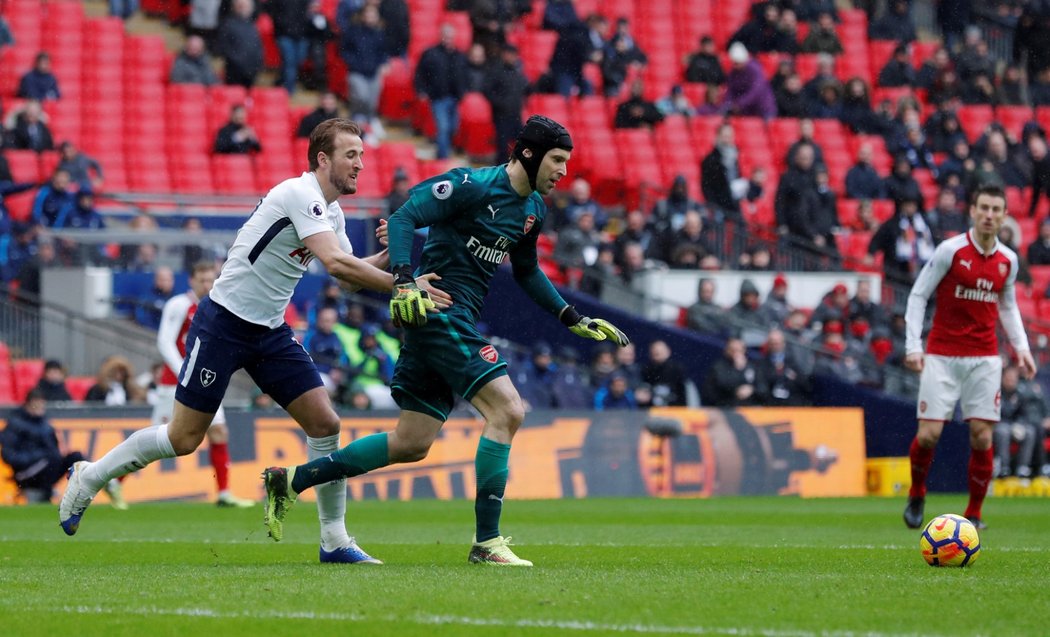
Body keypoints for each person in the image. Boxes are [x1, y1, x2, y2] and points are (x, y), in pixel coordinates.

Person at [58, 119, 453, 569]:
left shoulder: (331, 211)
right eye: (351, 155)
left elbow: (346, 278)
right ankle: (89, 476)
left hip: (269, 331)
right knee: (184, 437)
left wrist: (385, 256)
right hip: (223, 325)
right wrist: (404, 282)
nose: (360, 164)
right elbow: (337, 264)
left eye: (362, 155)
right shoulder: (300, 194)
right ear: (323, 159)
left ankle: (334, 539)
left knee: (325, 423)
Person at [260, 115, 630, 566]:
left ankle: (291, 480)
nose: (564, 172)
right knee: (508, 410)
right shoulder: (470, 186)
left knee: (411, 443)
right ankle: (487, 543)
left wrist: (570, 316)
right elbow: (404, 218)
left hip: (448, 319)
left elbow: (529, 271)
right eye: (557, 160)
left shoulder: (533, 209)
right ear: (528, 155)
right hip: (438, 312)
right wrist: (403, 281)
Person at [901, 184, 1036, 531]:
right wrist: (913, 346)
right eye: (984, 208)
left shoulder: (1008, 260)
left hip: (984, 358)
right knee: (929, 435)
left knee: (982, 436)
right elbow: (918, 295)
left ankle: (974, 514)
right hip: (942, 355)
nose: (990, 215)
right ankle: (917, 492)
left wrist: (1021, 348)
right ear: (973, 211)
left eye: (996, 209)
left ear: (1004, 215)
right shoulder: (950, 251)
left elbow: (1007, 305)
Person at [153, 261, 254, 508]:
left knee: (219, 431)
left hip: (203, 382)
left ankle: (223, 493)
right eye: (203, 280)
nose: (207, 285)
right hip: (174, 383)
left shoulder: (218, 307)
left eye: (212, 280)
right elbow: (164, 342)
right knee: (158, 440)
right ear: (191, 280)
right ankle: (112, 478)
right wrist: (185, 372)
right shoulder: (179, 305)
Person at [1, 390, 123, 504]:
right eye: (35, 405)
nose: (39, 408)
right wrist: (37, 457)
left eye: (41, 405)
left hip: (48, 466)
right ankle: (45, 494)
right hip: (25, 473)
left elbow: (54, 450)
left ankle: (101, 482)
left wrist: (49, 457)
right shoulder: (15, 424)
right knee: (51, 458)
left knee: (76, 457)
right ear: (27, 405)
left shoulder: (45, 425)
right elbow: (8, 455)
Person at [414, 23, 468, 159]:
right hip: (438, 97)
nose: (448, 39)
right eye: (446, 36)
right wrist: (421, 90)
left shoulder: (460, 55)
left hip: (455, 98)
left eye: (450, 37)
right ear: (441, 37)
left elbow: (466, 74)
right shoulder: (431, 53)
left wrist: (464, 90)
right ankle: (443, 157)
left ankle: (441, 150)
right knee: (443, 128)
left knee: (452, 128)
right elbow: (420, 73)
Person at [215, 0, 264, 88]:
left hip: (251, 70)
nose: (244, 9)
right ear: (234, 7)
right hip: (235, 71)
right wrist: (238, 61)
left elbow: (258, 47)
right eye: (241, 6)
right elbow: (223, 48)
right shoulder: (228, 24)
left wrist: (258, 64)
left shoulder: (253, 26)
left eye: (246, 6)